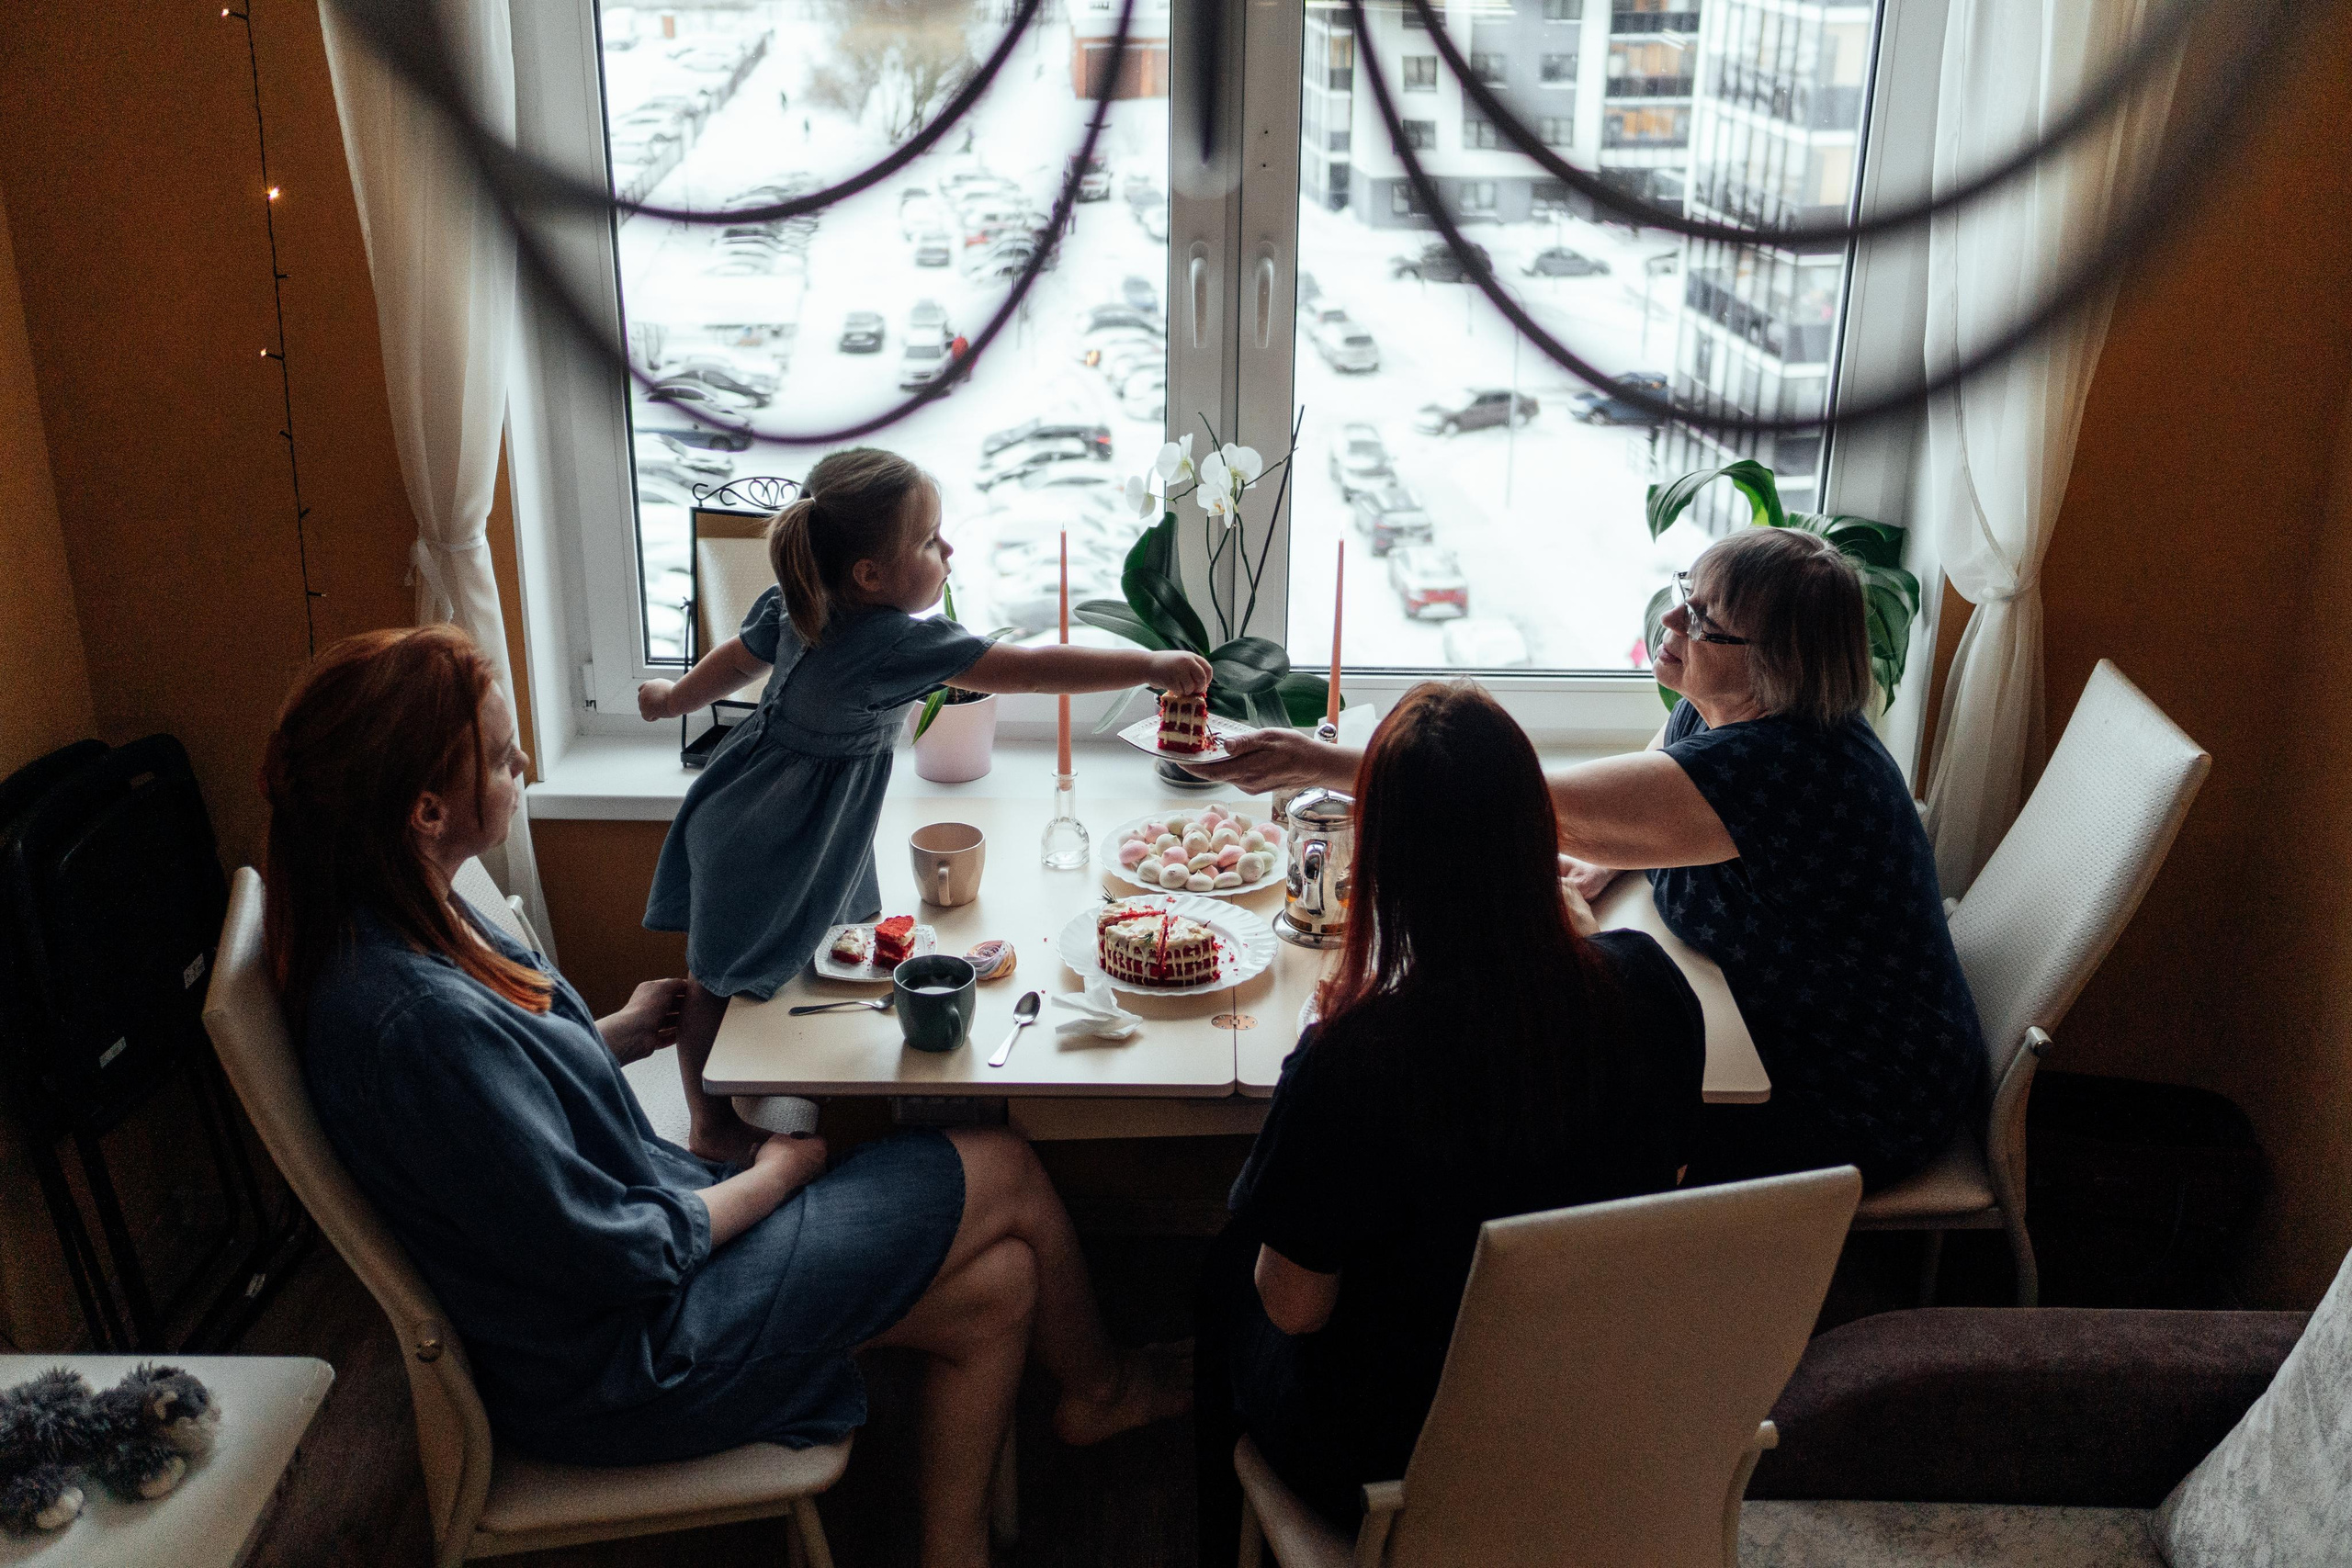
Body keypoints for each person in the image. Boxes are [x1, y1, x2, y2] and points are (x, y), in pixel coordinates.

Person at [272, 626, 1189, 1568]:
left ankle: (959, 1544)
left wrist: (611, 1034)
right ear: (426, 810)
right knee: (998, 1162)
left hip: (633, 1288)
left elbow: (498, 1118)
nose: (524, 767)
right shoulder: (415, 1023)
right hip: (633, 1359)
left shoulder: (397, 917)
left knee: (1002, 1283)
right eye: (504, 759)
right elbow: (615, 1249)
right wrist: (779, 1175)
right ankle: (1103, 1390)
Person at [1194, 527, 1984, 1193]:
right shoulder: (1713, 710)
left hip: (1855, 1094)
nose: (1672, 618)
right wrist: (1609, 858)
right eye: (1686, 591)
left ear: (1777, 665)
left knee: (1547, 1127)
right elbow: (1644, 803)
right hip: (1768, 1031)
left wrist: (1317, 761)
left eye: (1704, 620)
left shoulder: (1787, 767)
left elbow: (1523, 798)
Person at [1193, 681, 1705, 1549]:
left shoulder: (1354, 1060)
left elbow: (1293, 1309)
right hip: (1598, 1415)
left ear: (1380, 864)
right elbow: (1670, 1181)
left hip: (1401, 1457)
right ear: (1540, 834)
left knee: (1227, 1272)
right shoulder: (1652, 989)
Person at [636, 446, 1209, 1165]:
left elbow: (736, 660)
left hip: (747, 804)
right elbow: (1032, 671)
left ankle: (768, 1089)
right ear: (869, 574)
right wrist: (1149, 664)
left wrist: (673, 699)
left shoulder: (802, 597)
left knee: (730, 972)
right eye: (930, 541)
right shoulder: (893, 642)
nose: (949, 551)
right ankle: (709, 1124)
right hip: (771, 836)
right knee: (715, 983)